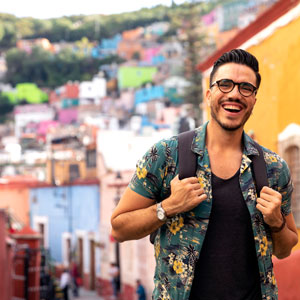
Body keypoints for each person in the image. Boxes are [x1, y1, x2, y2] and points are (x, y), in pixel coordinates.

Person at [110, 49, 298, 300]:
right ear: (209, 94)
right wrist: (167, 207)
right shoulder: (166, 156)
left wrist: (276, 222)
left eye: (245, 88)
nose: (234, 94)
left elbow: (285, 249)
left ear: (253, 99)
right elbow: (120, 228)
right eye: (225, 84)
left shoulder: (274, 168)